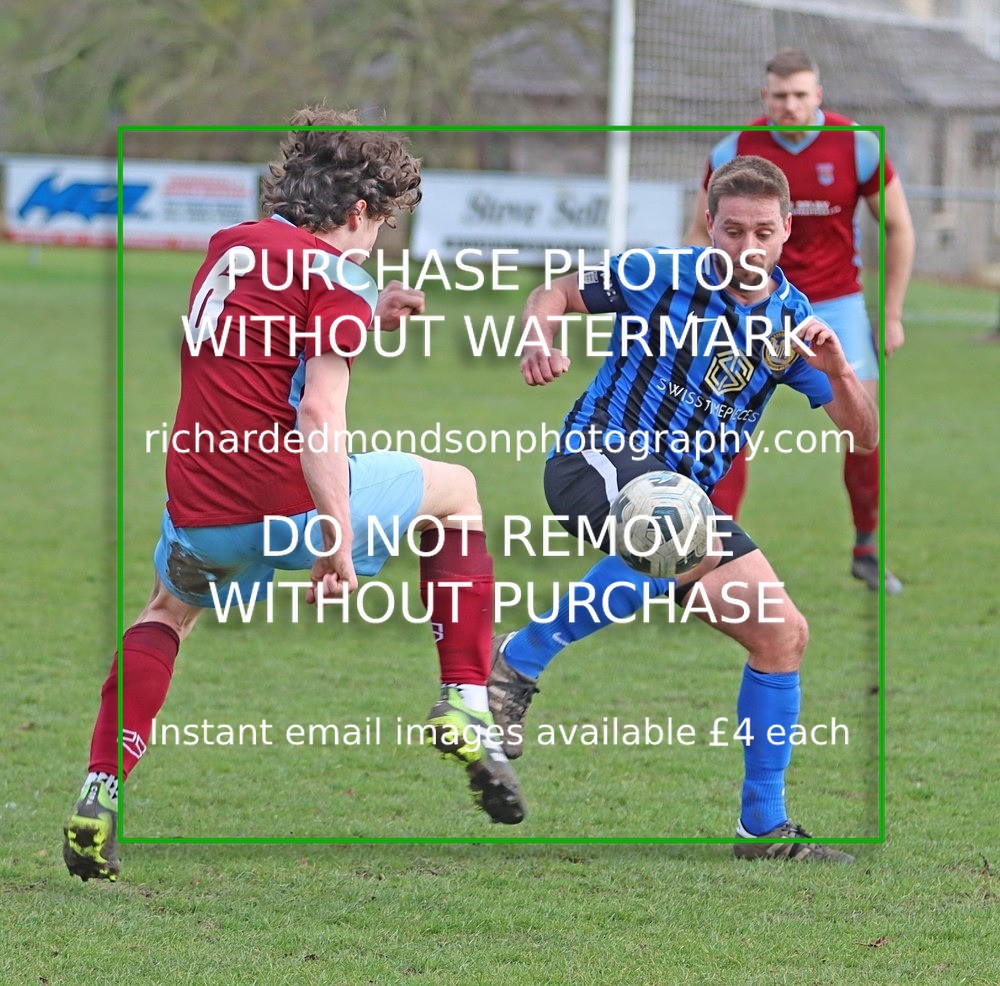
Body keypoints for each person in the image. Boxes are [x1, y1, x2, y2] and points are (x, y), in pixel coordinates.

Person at [63, 108, 525, 882]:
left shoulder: (231, 246)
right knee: (459, 492)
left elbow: (265, 336)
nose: (378, 242)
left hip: (200, 506)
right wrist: (335, 534)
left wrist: (365, 314)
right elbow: (317, 412)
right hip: (288, 504)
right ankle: (466, 702)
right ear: (358, 210)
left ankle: (99, 792)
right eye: (381, 224)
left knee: (165, 613)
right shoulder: (338, 274)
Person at [489, 155, 876, 861]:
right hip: (593, 461)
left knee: (782, 634)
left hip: (679, 506)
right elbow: (554, 294)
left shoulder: (793, 324)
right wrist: (538, 334)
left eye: (763, 232)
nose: (747, 247)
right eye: (733, 230)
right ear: (709, 223)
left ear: (787, 229)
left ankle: (763, 827)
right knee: (676, 530)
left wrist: (841, 372)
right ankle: (519, 660)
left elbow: (863, 434)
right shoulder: (659, 273)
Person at [685, 47, 914, 594]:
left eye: (800, 95)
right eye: (780, 96)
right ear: (765, 96)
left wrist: (891, 314)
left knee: (863, 430)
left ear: (818, 95)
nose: (789, 105)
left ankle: (866, 549)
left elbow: (898, 227)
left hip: (836, 305)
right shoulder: (734, 150)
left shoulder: (858, 146)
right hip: (752, 303)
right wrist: (701, 302)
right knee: (722, 422)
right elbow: (698, 232)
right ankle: (711, 557)